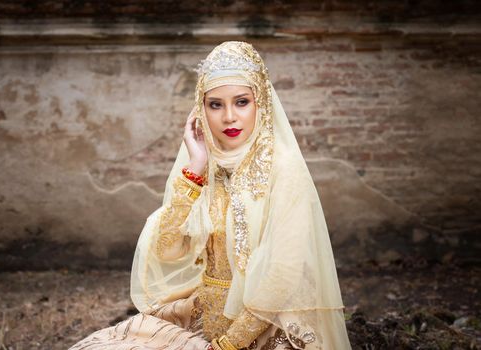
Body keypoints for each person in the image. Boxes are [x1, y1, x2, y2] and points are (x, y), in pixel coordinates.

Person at [69, 41, 352, 350]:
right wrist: (196, 167)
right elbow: (167, 249)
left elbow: (282, 275)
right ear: (200, 109)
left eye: (242, 102)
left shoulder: (284, 170)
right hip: (203, 318)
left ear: (262, 104)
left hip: (268, 329)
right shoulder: (205, 169)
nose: (229, 117)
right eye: (215, 104)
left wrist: (229, 344)